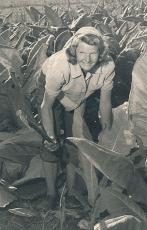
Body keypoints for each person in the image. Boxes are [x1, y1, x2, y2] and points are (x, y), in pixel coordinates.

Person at [39, 27, 115, 208]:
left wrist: (108, 135)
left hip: (80, 95)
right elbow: (46, 106)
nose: (87, 59)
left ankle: (71, 190)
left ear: (101, 52)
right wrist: (50, 135)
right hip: (52, 95)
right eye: (82, 52)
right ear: (74, 51)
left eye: (93, 53)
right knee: (51, 143)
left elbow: (105, 103)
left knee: (78, 140)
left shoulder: (108, 66)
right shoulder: (60, 66)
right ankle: (51, 194)